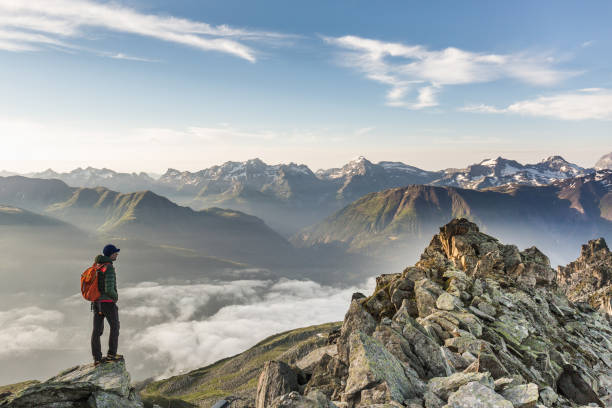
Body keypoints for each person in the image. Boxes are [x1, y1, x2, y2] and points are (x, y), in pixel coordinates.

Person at [91, 244, 123, 365]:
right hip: (107, 303)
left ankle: (97, 358)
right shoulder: (108, 267)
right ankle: (111, 355)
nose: (117, 254)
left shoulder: (98, 265)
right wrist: (115, 297)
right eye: (115, 253)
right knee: (115, 327)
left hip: (96, 302)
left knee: (97, 331)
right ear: (110, 254)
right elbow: (109, 289)